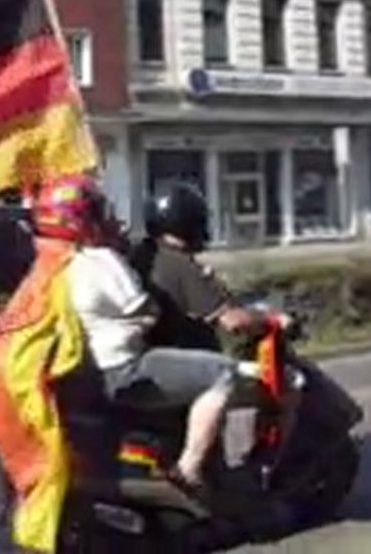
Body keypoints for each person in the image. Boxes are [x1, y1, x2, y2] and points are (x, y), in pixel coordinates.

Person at [32, 174, 271, 495]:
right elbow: (146, 310)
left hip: (85, 369)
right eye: (102, 212)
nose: (112, 219)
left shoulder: (58, 262)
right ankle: (189, 471)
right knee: (223, 374)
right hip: (124, 367)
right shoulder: (102, 261)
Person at [130, 182, 304, 446]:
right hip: (183, 362)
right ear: (191, 222)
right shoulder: (180, 265)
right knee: (289, 386)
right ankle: (267, 463)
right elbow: (233, 321)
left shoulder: (142, 255)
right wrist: (275, 320)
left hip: (149, 359)